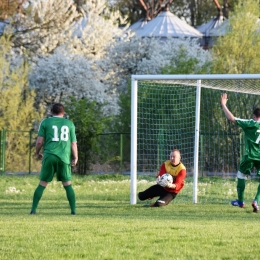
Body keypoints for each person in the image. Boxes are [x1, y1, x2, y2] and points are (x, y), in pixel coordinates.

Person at [30, 103, 78, 215]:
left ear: (51, 111)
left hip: (49, 155)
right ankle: (73, 211)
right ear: (63, 112)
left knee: (42, 183)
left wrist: (37, 152)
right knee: (67, 184)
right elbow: (73, 143)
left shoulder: (46, 122)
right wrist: (75, 158)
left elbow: (39, 142)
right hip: (64, 158)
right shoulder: (69, 124)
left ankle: (33, 210)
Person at [221, 93, 260, 213]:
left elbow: (231, 118)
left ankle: (241, 201)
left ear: (254, 115)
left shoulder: (250, 123)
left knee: (241, 176)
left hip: (250, 156)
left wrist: (223, 104)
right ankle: (256, 200)